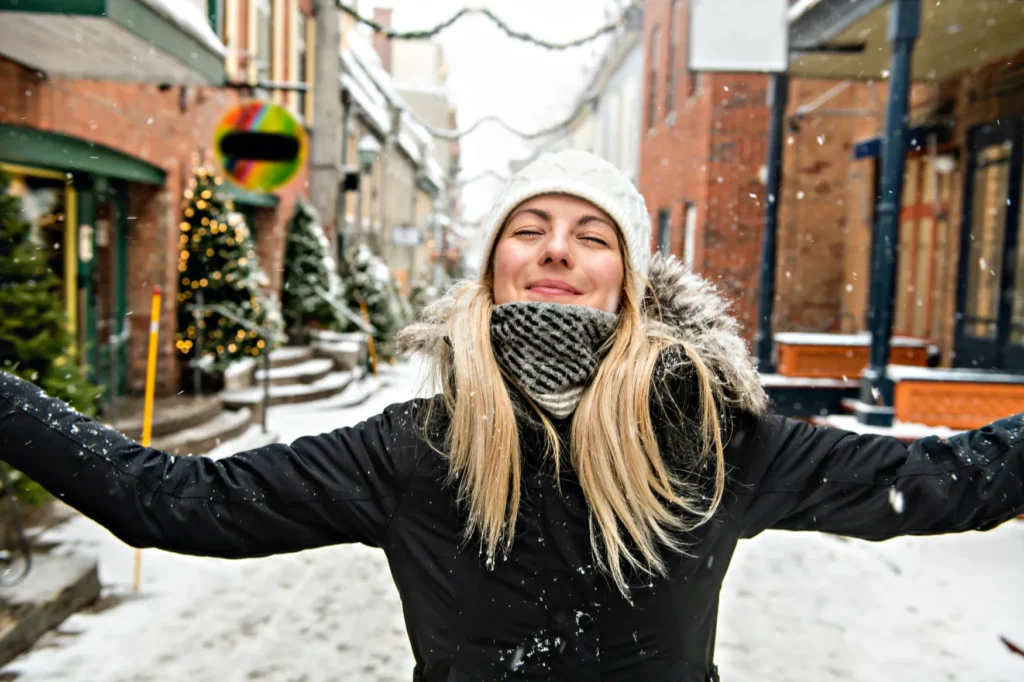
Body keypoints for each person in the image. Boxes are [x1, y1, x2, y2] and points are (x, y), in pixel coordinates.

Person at [0, 150, 1022, 682]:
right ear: (493, 267)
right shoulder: (415, 450)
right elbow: (172, 500)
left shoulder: (711, 440)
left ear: (628, 280)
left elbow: (939, 484)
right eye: (529, 228)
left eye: (591, 235)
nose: (557, 247)